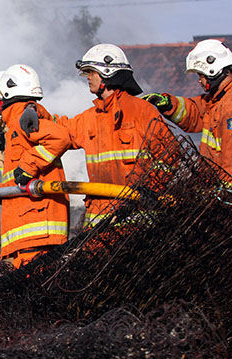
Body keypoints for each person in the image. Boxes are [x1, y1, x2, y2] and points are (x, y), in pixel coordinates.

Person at [18, 44, 165, 229]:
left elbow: (170, 158)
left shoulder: (143, 112)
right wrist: (34, 109)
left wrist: (151, 189)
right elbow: (62, 129)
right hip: (100, 224)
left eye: (90, 72)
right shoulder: (91, 118)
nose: (87, 78)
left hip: (140, 223)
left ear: (107, 72)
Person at [143, 38, 232, 209]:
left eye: (201, 75)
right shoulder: (219, 101)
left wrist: (215, 198)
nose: (199, 80)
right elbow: (195, 113)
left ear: (214, 69)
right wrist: (168, 104)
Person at [0, 64, 70, 268]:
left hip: (36, 227)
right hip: (31, 228)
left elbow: (61, 137)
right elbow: (17, 182)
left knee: (34, 291)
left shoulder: (20, 121)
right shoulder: (20, 123)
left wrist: (28, 165)